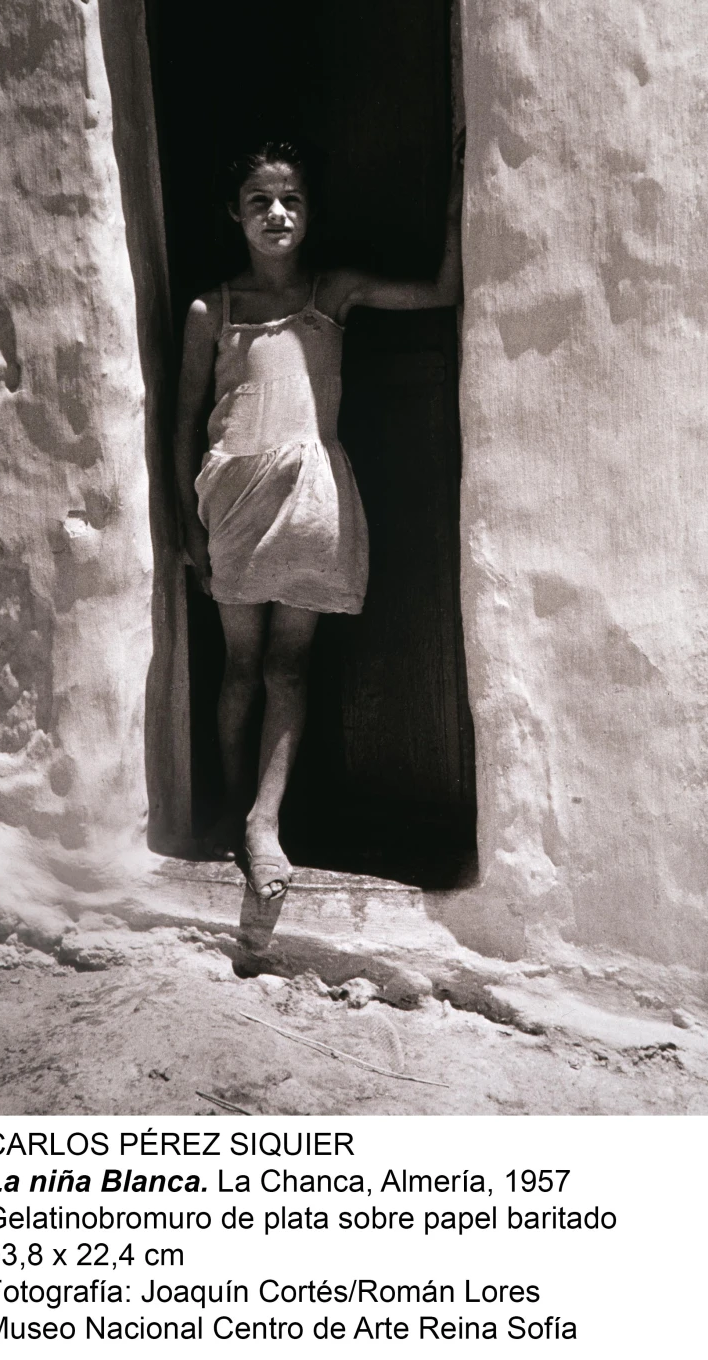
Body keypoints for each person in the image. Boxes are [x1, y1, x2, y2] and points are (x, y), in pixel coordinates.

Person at [175, 136, 464, 898]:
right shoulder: (215, 309)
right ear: (233, 215)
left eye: (291, 200)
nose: (276, 213)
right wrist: (187, 524)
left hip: (308, 496)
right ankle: (234, 806)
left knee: (287, 664)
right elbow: (181, 426)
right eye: (259, 201)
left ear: (309, 211)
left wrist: (464, 192)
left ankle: (262, 824)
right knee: (239, 665)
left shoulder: (329, 293)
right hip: (232, 502)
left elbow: (441, 289)